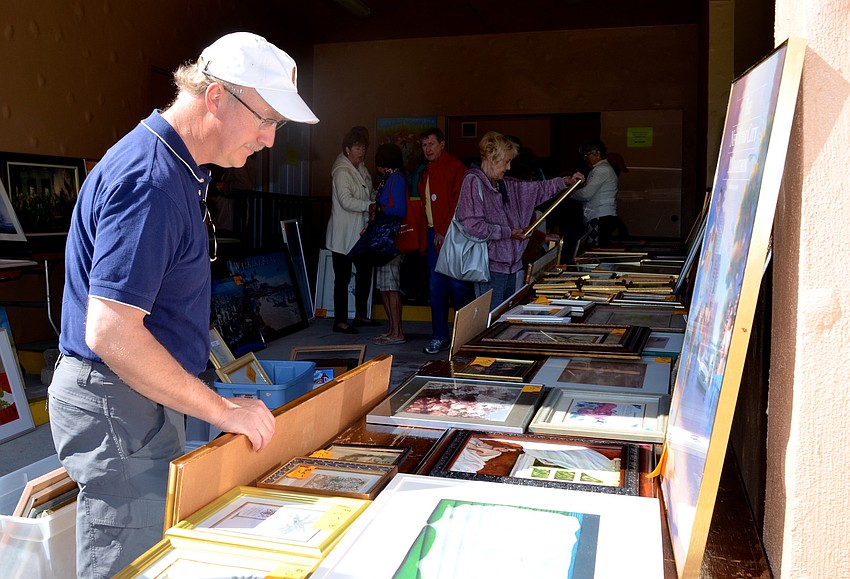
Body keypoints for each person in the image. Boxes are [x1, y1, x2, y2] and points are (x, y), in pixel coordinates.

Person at [48, 32, 318, 578]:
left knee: (154, 549)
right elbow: (111, 332)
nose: (269, 140)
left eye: (278, 126)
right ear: (215, 96)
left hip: (138, 392)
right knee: (131, 559)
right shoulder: (151, 181)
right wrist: (222, 411)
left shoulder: (176, 165)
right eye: (265, 119)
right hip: (116, 399)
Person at [455, 131, 572, 308]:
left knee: (503, 317)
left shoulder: (504, 184)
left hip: (511, 266)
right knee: (492, 319)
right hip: (490, 266)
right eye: (506, 161)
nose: (509, 167)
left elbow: (536, 189)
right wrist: (509, 233)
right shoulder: (473, 182)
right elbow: (473, 225)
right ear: (492, 157)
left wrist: (564, 182)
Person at [418, 127, 471, 354]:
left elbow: (457, 204)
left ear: (442, 144)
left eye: (431, 144)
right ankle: (439, 336)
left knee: (459, 288)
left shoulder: (456, 168)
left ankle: (464, 338)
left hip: (452, 235)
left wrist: (442, 230)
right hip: (434, 234)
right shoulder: (427, 170)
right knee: (436, 289)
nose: (427, 149)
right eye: (424, 145)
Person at [325, 126, 378, 334]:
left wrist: (374, 200)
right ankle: (340, 320)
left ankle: (361, 315)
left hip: (360, 233)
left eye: (363, 147)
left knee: (365, 273)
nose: (361, 151)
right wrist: (369, 205)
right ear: (347, 149)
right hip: (343, 234)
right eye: (357, 147)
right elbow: (346, 201)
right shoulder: (341, 170)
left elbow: (369, 190)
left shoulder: (361, 167)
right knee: (343, 278)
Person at [372, 143, 408, 345]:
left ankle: (397, 333)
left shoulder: (396, 179)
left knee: (391, 287)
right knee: (385, 287)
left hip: (392, 241)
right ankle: (392, 329)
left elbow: (400, 210)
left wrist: (380, 208)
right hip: (384, 240)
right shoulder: (390, 178)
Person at [569, 139, 620, 246]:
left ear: (598, 153)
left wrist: (569, 193)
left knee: (594, 248)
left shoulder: (601, 170)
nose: (585, 158)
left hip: (599, 215)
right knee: (599, 246)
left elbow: (586, 194)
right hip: (602, 214)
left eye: (587, 155)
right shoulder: (604, 169)